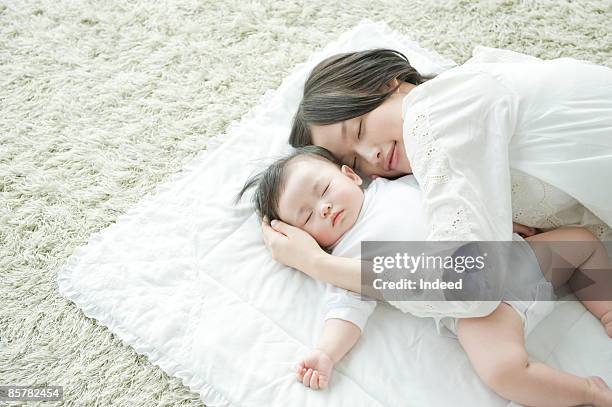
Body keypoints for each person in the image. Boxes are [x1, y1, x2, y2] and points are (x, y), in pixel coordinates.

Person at [237, 146, 612, 406]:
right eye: (306, 216)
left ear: (350, 175)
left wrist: (504, 218)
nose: (325, 207)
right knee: (502, 372)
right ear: (303, 238)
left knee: (582, 243)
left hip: (517, 258)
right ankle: (588, 392)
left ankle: (607, 311)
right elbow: (345, 312)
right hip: (482, 315)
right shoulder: (347, 260)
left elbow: (458, 197)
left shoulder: (399, 186)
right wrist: (325, 353)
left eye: (324, 190)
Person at [260, 48, 612, 308]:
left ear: (388, 83)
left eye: (360, 128)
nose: (373, 157)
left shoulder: (431, 114)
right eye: (353, 160)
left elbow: (471, 284)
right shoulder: (467, 92)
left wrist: (316, 263)